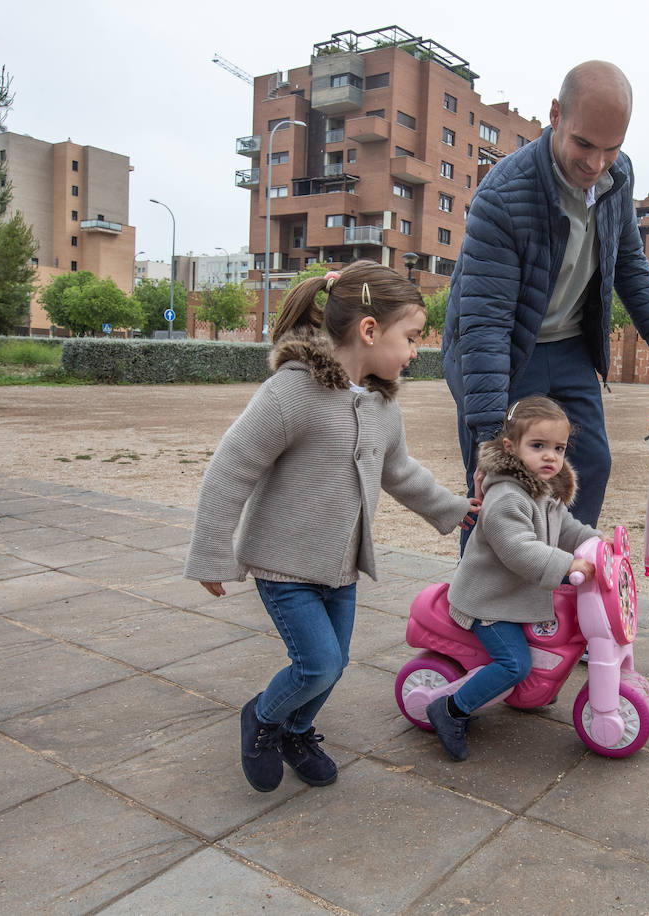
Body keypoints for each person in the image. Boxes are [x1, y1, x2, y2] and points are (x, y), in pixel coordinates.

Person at [184, 260, 480, 793]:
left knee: (335, 663)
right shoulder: (292, 393)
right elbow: (231, 468)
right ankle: (263, 720)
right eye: (411, 337)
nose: (416, 351)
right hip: (284, 565)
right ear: (369, 330)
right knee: (317, 665)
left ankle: (298, 730)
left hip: (340, 568)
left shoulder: (381, 407)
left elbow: (401, 472)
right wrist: (211, 551)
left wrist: (455, 509)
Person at [441, 60, 649, 533]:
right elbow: (485, 325)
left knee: (590, 465)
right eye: (584, 144)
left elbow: (629, 257)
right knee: (502, 483)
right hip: (508, 350)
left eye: (611, 149)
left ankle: (562, 579)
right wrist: (490, 443)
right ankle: (478, 601)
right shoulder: (503, 196)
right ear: (555, 115)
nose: (595, 164)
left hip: (570, 345)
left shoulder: (619, 179)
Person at [425, 396, 600, 761]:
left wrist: (595, 543)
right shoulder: (507, 496)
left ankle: (527, 691)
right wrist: (569, 565)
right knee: (514, 663)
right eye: (538, 446)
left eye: (558, 448)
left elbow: (564, 526)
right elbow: (519, 550)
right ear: (511, 448)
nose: (550, 456)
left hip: (512, 597)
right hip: (489, 601)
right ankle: (451, 710)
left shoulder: (543, 488)